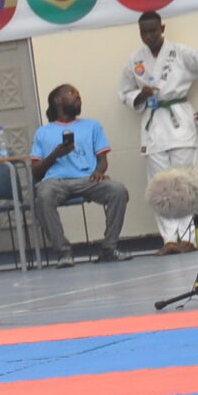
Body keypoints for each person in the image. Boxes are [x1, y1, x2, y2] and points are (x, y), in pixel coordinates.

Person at [120, 12, 198, 254]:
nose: (149, 36)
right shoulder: (135, 59)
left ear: (162, 28)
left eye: (153, 31)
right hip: (153, 125)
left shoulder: (182, 53)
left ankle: (188, 238)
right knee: (160, 186)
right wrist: (140, 95)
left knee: (186, 183)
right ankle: (169, 239)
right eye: (144, 32)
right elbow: (124, 91)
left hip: (180, 121)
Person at [29, 85, 128, 266]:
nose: (78, 97)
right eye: (72, 93)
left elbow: (102, 160)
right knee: (42, 196)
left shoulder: (92, 125)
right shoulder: (42, 132)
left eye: (79, 94)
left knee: (118, 190)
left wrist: (99, 172)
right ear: (58, 100)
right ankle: (63, 253)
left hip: (88, 179)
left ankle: (109, 248)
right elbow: (35, 170)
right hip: (55, 181)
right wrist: (55, 155)